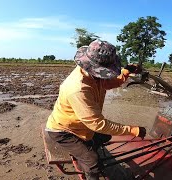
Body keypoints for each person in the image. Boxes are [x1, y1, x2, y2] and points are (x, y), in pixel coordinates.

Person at [46, 39, 146, 179]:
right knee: (92, 161)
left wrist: (125, 73)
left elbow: (108, 83)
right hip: (63, 131)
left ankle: (87, 146)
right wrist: (132, 130)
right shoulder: (78, 88)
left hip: (80, 126)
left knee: (106, 135)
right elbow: (97, 123)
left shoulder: (94, 76)